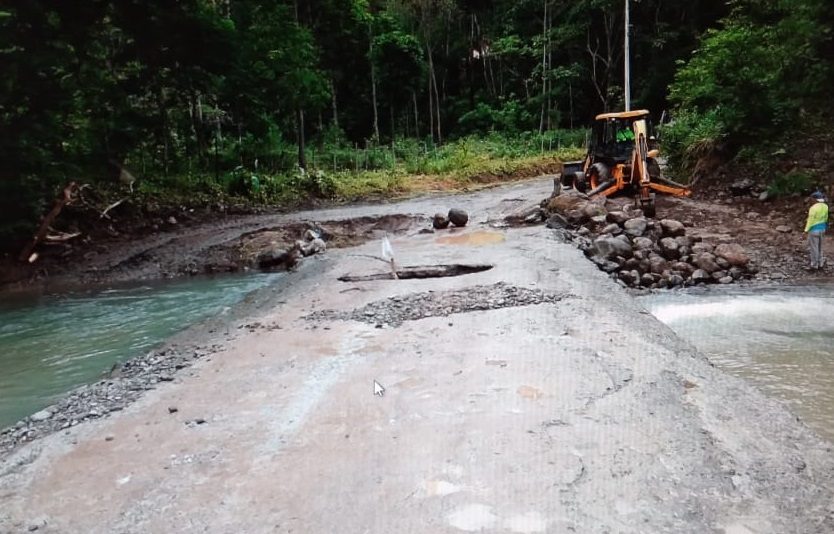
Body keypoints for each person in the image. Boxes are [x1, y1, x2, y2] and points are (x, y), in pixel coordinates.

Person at [805, 191, 829, 270]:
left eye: (812, 198)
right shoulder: (825, 206)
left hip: (814, 229)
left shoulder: (813, 208)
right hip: (822, 228)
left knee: (814, 248)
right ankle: (820, 263)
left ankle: (814, 265)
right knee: (820, 247)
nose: (811, 200)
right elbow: (826, 218)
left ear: (815, 199)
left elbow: (810, 220)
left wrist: (806, 229)